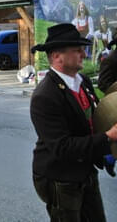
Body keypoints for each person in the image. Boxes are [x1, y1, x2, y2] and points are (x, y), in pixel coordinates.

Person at [30, 23, 117, 221]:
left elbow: (93, 119)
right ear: (56, 56)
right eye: (77, 50)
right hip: (60, 176)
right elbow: (61, 147)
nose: (84, 55)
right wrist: (107, 137)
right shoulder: (45, 96)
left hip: (85, 169)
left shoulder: (83, 81)